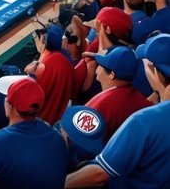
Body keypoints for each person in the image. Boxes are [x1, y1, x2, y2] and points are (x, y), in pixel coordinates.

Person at [64, 34, 170, 188]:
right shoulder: (145, 105)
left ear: (156, 72)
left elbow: (99, 173)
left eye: (146, 64)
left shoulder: (143, 120)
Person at [83, 46, 150, 138]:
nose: (97, 71)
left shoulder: (102, 105)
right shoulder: (146, 104)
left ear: (112, 75)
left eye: (101, 66)